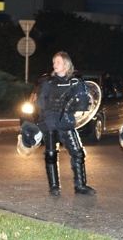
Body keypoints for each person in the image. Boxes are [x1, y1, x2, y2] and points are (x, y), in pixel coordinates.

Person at [34, 51, 96, 195]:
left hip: (66, 121)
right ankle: (54, 186)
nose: (55, 65)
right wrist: (41, 122)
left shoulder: (76, 82)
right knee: (50, 154)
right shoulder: (47, 82)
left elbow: (85, 103)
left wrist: (76, 104)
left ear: (66, 65)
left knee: (78, 153)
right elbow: (40, 102)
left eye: (58, 62)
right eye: (54, 62)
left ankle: (80, 186)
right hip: (49, 121)